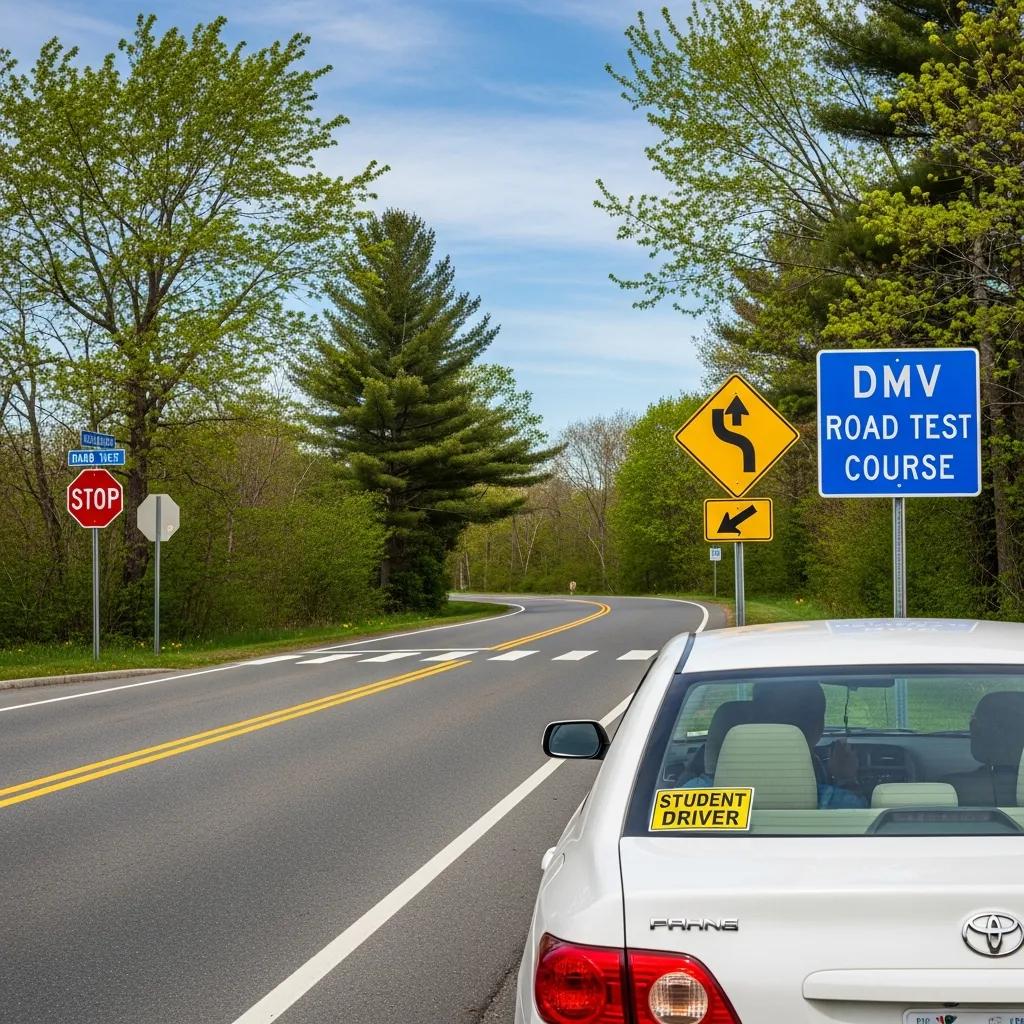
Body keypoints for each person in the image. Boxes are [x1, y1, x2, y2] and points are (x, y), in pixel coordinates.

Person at [686, 681, 866, 809]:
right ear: (818, 728)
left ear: (753, 719)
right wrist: (847, 780)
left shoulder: (690, 798)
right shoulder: (836, 803)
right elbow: (860, 817)